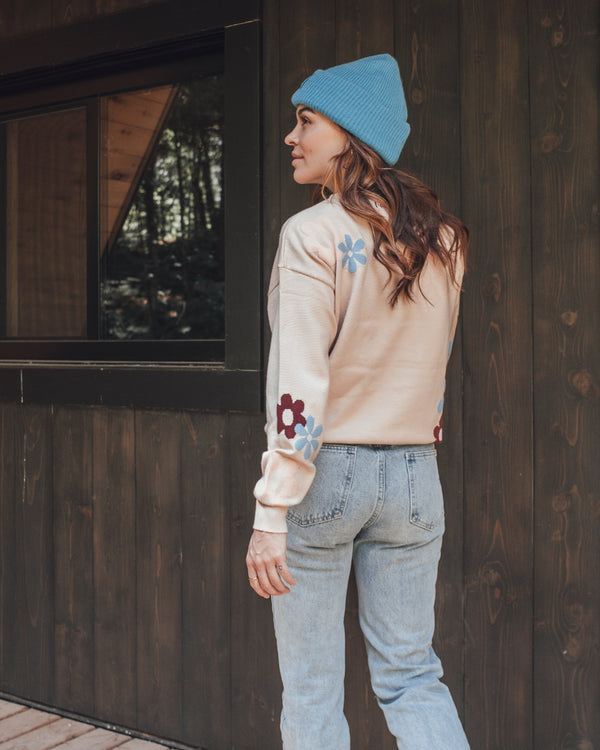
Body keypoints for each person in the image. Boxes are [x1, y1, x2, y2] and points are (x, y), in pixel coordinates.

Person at [246, 53, 471, 750]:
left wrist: (270, 511)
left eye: (306, 120)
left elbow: (298, 381)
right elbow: (430, 369)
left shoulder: (311, 235)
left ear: (349, 133)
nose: (292, 135)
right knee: (411, 676)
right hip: (414, 477)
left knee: (312, 688)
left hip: (326, 475)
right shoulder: (446, 239)